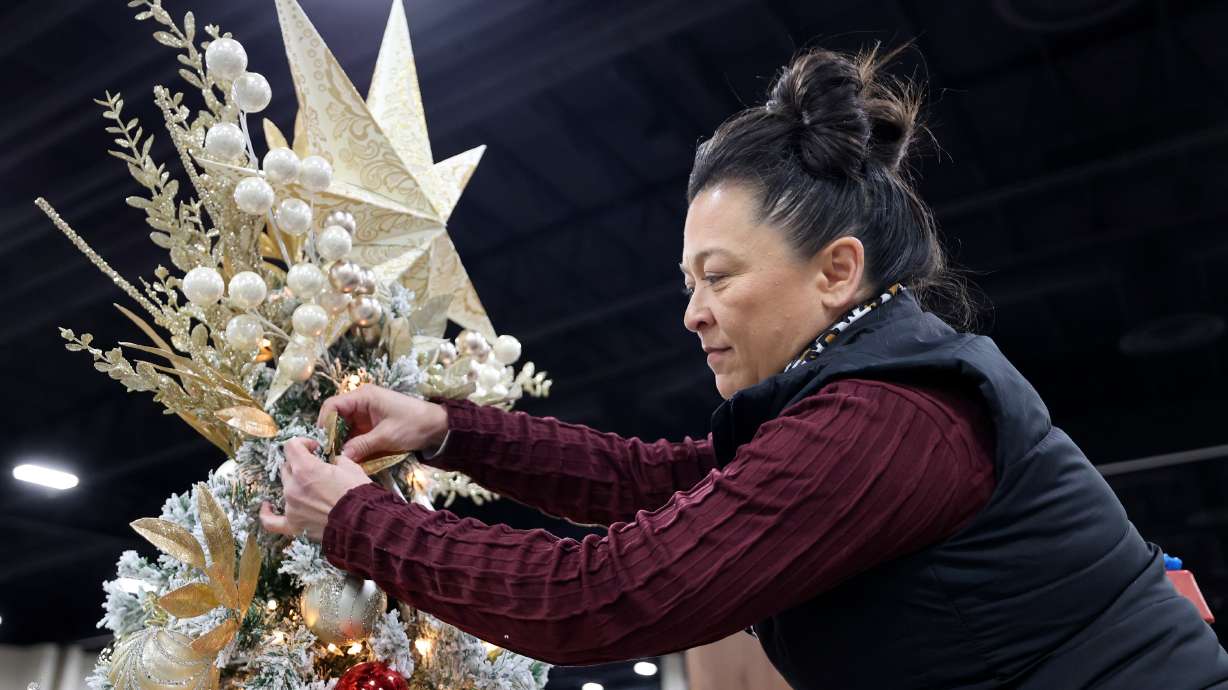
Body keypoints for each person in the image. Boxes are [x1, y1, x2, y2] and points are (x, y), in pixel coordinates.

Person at [259, 45, 1228, 689]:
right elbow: (658, 480)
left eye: (717, 277)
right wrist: (449, 429)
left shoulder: (885, 425)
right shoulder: (863, 393)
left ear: (836, 273)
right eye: (688, 280)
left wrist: (355, 521)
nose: (691, 313)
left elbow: (595, 598)